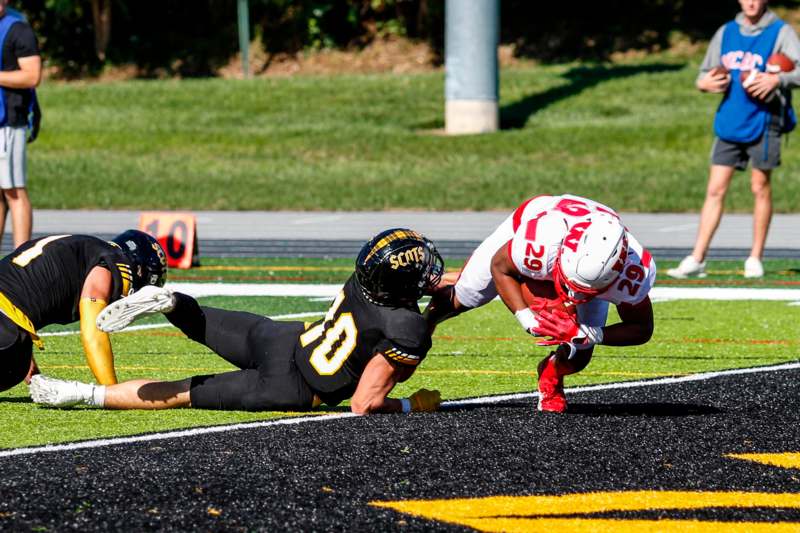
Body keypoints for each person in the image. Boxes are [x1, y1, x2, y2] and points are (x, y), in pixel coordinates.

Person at [30, 228, 445, 415]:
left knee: (202, 319)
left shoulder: (365, 279)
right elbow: (363, 404)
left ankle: (171, 302)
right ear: (401, 285)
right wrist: (411, 404)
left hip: (282, 338)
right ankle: (80, 394)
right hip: (291, 387)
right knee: (181, 393)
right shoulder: (406, 329)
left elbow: (403, 289)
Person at [425, 194, 655, 413]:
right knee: (466, 295)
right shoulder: (541, 241)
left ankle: (552, 372)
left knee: (579, 354)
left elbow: (642, 329)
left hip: (570, 256)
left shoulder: (634, 274)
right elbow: (500, 267)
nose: (573, 295)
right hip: (536, 222)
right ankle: (423, 322)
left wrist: (587, 334)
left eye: (584, 289)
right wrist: (526, 318)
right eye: (571, 283)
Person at [667, 0, 800, 280]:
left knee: (759, 186)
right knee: (715, 189)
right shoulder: (726, 31)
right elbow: (704, 74)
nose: (751, 2)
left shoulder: (781, 31)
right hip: (731, 120)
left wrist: (778, 80)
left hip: (765, 121)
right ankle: (697, 258)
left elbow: (797, 69)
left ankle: (755, 257)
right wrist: (703, 84)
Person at [0, 230, 167, 393]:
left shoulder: (82, 246)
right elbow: (93, 334)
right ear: (138, 271)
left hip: (7, 314)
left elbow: (22, 285)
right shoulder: (107, 264)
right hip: (5, 317)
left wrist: (24, 346)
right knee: (14, 366)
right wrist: (112, 392)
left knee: (16, 362)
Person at [0, 1, 41, 250]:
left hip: (8, 122)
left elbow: (32, 75)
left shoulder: (18, 29)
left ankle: (22, 260)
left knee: (14, 191)